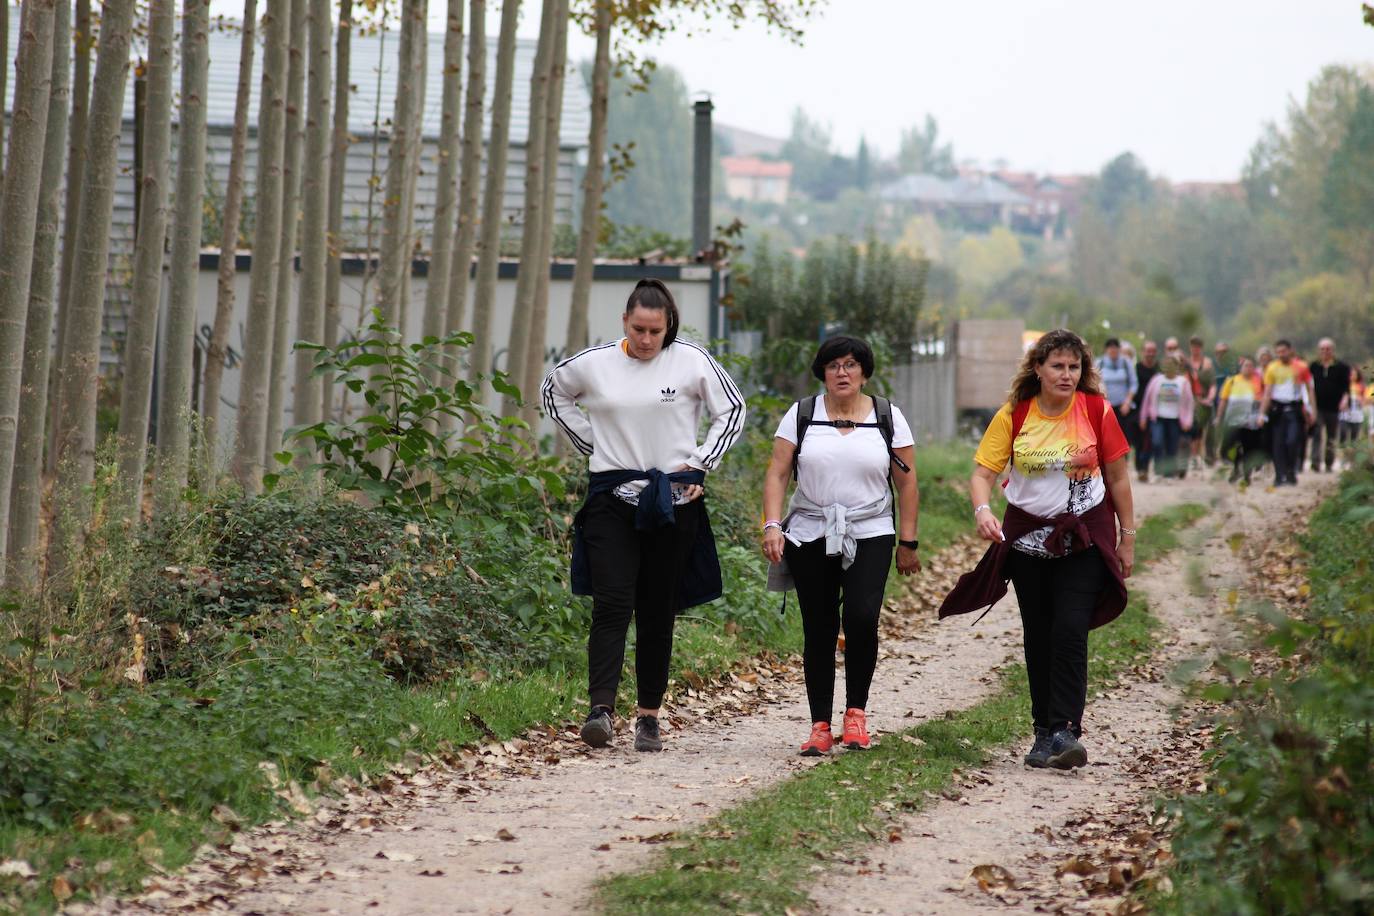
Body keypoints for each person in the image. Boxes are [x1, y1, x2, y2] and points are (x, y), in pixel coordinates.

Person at [543, 278, 746, 752]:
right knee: (611, 602)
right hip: (612, 496)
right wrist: (593, 446)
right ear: (625, 323)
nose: (648, 339)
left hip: (674, 500)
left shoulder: (692, 360)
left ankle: (649, 718)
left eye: (657, 331)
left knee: (657, 608)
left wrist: (701, 462)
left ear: (669, 326)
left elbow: (732, 410)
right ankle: (600, 711)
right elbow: (554, 392)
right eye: (639, 329)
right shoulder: (594, 364)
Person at [939, 329, 1134, 771]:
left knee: (1069, 629)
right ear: (1038, 369)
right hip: (1027, 542)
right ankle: (1043, 734)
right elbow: (981, 475)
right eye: (1058, 366)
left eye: (1074, 367)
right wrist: (982, 511)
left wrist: (1128, 536)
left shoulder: (1096, 411)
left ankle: (1066, 729)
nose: (1067, 375)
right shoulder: (1015, 414)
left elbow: (1118, 479)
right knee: (1039, 634)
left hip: (1084, 538)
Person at [761, 336, 920, 756]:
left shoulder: (887, 416)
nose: (842, 372)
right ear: (823, 373)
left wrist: (908, 541)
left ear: (864, 372)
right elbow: (778, 473)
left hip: (871, 530)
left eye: (851, 365)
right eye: (833, 366)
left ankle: (856, 715)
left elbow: (907, 482)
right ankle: (819, 725)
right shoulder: (802, 414)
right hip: (811, 531)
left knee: (863, 617)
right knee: (819, 626)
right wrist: (772, 525)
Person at [1259, 339, 1312, 487]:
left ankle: (1290, 470)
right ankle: (1279, 475)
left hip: (1294, 408)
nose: (1281, 355)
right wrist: (1262, 413)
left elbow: (1309, 389)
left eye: (1283, 351)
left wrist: (1311, 409)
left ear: (1290, 350)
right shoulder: (1272, 368)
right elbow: (1267, 392)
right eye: (1278, 352)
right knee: (1278, 443)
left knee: (1293, 440)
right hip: (1277, 408)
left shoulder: (1301, 367)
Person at [1139, 356, 1195, 480]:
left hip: (1175, 418)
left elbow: (1189, 403)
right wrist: (1143, 417)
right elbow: (1147, 400)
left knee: (1172, 445)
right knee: (1157, 442)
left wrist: (1188, 421)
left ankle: (1169, 473)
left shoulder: (1183, 382)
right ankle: (1158, 470)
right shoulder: (1156, 380)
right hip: (1158, 417)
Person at [1218, 357, 1264, 484]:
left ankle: (1246, 473)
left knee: (1248, 448)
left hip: (1251, 421)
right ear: (1241, 367)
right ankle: (1236, 469)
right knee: (1230, 447)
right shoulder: (1232, 381)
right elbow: (1223, 399)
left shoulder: (1258, 381)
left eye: (1251, 366)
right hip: (1233, 420)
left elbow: (1263, 399)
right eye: (1246, 365)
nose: (1248, 368)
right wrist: (1218, 417)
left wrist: (1262, 415)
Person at [1308, 338, 1351, 473]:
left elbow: (1346, 387)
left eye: (1328, 349)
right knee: (1317, 433)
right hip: (1317, 406)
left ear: (1332, 350)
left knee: (1331, 436)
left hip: (1334, 407)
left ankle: (1329, 462)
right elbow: (1308, 386)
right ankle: (1315, 462)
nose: (1325, 352)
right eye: (1322, 349)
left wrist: (1345, 399)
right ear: (1319, 351)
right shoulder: (1313, 366)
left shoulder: (1342, 367)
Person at [1096, 337, 1139, 458]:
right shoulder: (1100, 363)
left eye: (1115, 349)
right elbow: (1095, 382)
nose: (1113, 351)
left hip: (1122, 405)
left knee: (1123, 433)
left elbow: (1133, 383)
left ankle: (1123, 459)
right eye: (1111, 349)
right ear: (1106, 350)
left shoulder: (1126, 363)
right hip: (1106, 405)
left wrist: (1128, 401)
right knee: (1106, 434)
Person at [1186, 336, 1216, 470]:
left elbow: (1213, 384)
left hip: (1204, 401)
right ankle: (1194, 456)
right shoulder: (1186, 363)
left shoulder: (1207, 363)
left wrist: (1210, 398)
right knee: (1194, 430)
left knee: (1206, 431)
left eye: (1197, 347)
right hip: (1190, 401)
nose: (1195, 349)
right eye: (1193, 346)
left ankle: (1205, 457)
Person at [1133, 341, 1161, 482]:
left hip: (1156, 410)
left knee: (1152, 440)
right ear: (1143, 351)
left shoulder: (1159, 369)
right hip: (1138, 409)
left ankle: (1147, 468)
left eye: (1153, 351)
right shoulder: (1136, 368)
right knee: (1140, 440)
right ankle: (1140, 468)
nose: (1150, 353)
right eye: (1148, 350)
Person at [1338, 366, 1366, 467]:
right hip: (1345, 414)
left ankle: (1352, 461)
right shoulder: (1344, 385)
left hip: (1356, 415)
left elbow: (1364, 400)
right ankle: (1343, 458)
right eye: (1350, 374)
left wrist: (1360, 400)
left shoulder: (1361, 386)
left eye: (1354, 374)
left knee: (1354, 439)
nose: (1352, 376)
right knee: (1343, 434)